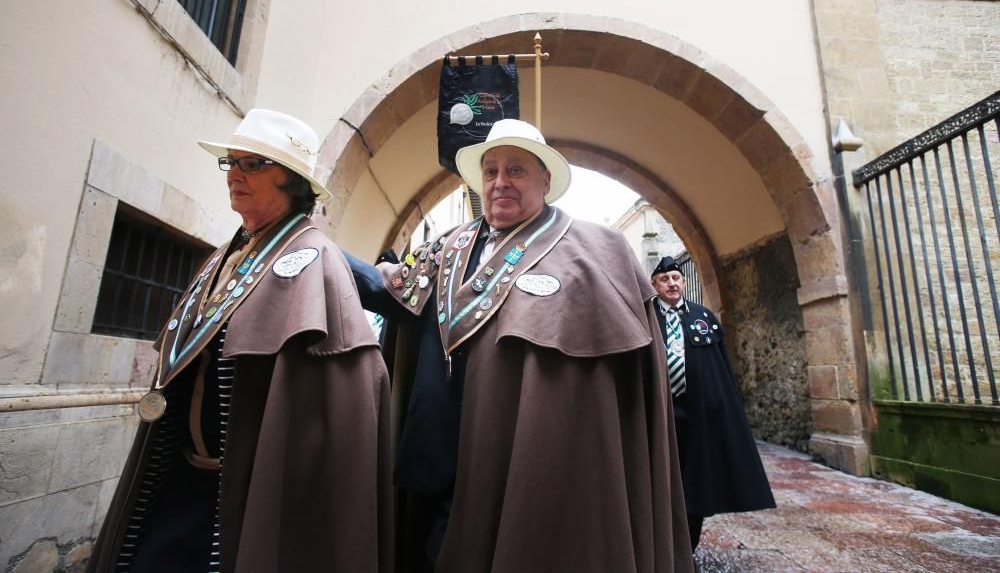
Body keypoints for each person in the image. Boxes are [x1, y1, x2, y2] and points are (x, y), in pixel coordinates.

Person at [348, 119, 694, 572]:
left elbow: (632, 385)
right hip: (440, 458)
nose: (500, 182)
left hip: (528, 464)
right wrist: (325, 254)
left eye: (516, 170)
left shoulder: (595, 253)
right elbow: (391, 290)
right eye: (490, 171)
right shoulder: (446, 247)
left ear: (545, 181)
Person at [88, 109, 392, 572]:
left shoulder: (317, 260)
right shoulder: (223, 256)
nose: (236, 175)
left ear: (291, 181)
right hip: (182, 476)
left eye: (253, 165)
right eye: (231, 163)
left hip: (249, 494)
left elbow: (347, 393)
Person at [651, 256, 776, 550]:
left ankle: (688, 545)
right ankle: (660, 544)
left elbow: (721, 370)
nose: (672, 283)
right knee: (662, 481)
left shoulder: (702, 317)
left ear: (683, 282)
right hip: (659, 416)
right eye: (665, 279)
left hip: (698, 417)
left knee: (696, 484)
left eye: (676, 278)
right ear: (653, 285)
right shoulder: (645, 318)